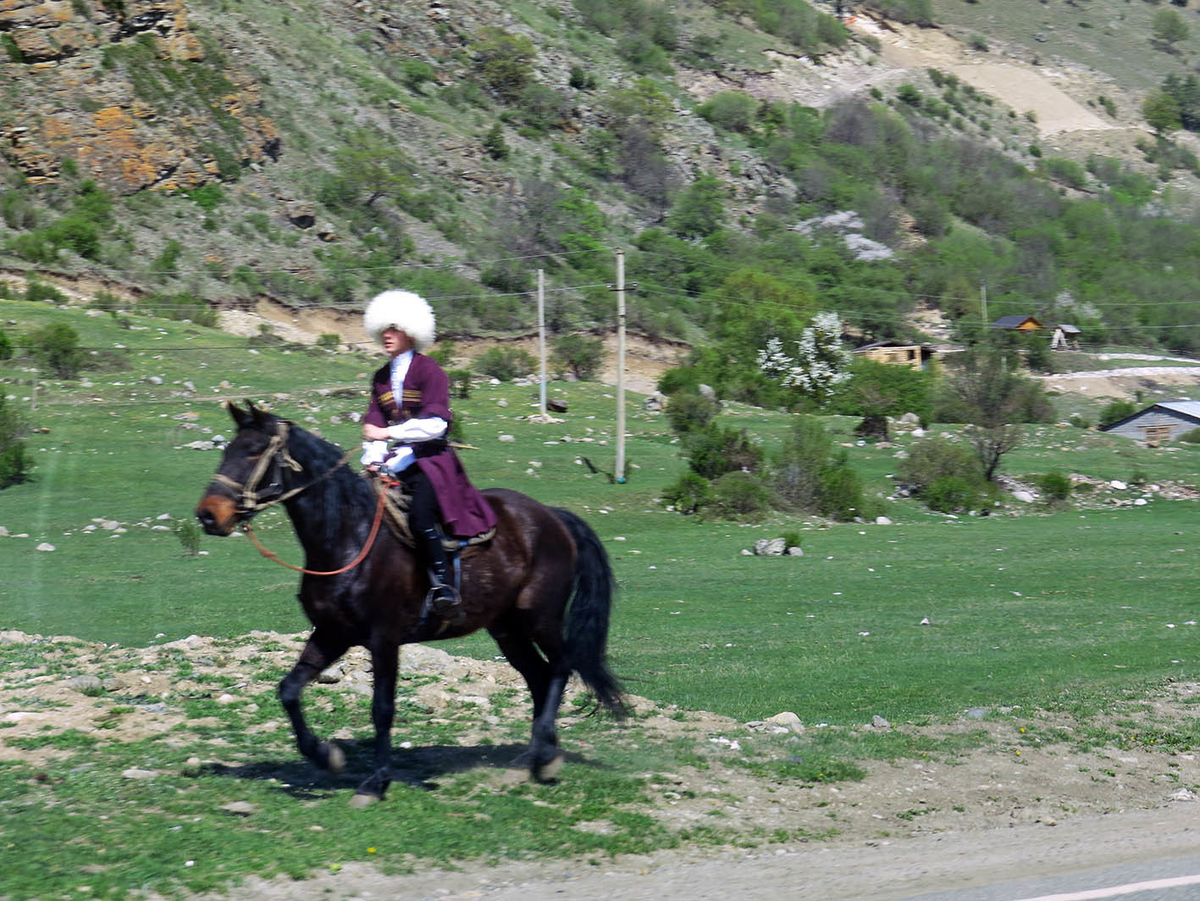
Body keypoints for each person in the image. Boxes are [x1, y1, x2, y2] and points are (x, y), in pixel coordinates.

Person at [360, 289, 497, 623]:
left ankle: (444, 587)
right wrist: (373, 458)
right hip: (396, 463)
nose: (386, 336)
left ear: (411, 331)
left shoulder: (429, 371)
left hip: (432, 464)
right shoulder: (381, 378)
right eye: (384, 330)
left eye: (393, 329)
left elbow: (435, 425)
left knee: (420, 518)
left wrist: (388, 435)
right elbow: (373, 426)